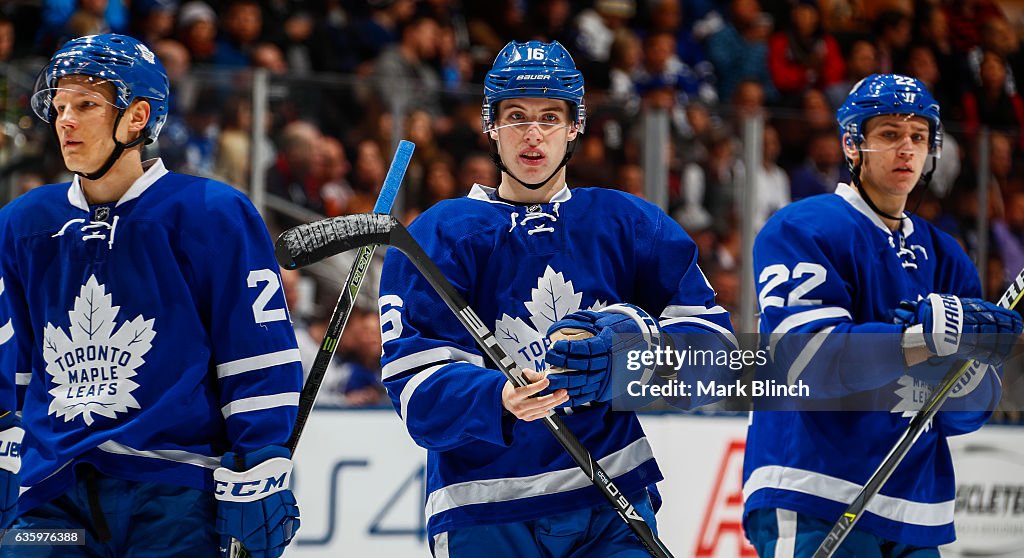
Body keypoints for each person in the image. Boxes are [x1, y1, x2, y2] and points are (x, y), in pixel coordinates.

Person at [378, 40, 737, 557]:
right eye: (516, 116)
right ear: (491, 126)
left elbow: (718, 355)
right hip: (484, 508)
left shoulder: (628, 223)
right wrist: (496, 397)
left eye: (550, 116)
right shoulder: (440, 234)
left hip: (611, 501)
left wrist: (626, 357)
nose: (533, 133)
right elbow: (415, 391)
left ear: (575, 127)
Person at [0, 34, 302, 557]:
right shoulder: (26, 222)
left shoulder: (210, 212)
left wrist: (260, 462)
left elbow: (256, 353)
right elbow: (13, 355)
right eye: (60, 105)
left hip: (175, 493)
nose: (65, 120)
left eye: (87, 105)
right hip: (52, 495)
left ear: (137, 117)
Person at [743, 74, 1023, 556]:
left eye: (918, 137)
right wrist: (924, 341)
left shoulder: (947, 255)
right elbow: (807, 360)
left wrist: (968, 366)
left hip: (916, 504)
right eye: (890, 134)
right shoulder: (802, 227)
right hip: (815, 485)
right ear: (853, 145)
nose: (907, 150)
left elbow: (968, 413)